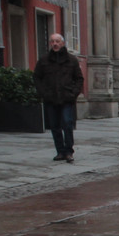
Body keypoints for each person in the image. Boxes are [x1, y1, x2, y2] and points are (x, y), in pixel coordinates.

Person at [33, 33, 84, 163]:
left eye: (57, 41)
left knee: (67, 123)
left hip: (67, 98)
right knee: (54, 126)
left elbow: (79, 78)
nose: (55, 44)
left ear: (62, 43)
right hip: (51, 98)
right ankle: (60, 151)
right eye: (52, 42)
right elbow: (37, 77)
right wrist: (43, 92)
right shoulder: (44, 60)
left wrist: (74, 93)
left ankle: (69, 151)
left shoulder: (71, 60)